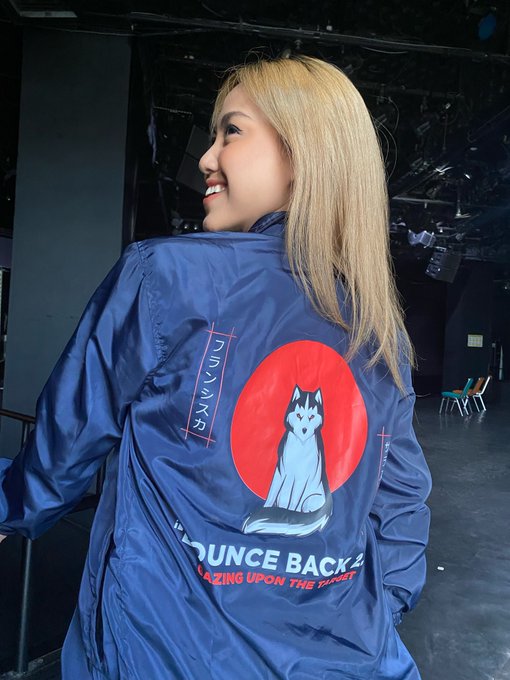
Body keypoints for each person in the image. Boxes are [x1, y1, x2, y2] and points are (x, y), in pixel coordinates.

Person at [0, 55, 431, 679]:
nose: (206, 157)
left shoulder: (164, 277)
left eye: (231, 131)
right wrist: (372, 615)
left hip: (161, 657)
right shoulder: (377, 327)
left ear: (301, 153)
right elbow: (401, 505)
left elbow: (65, 444)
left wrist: (14, 504)